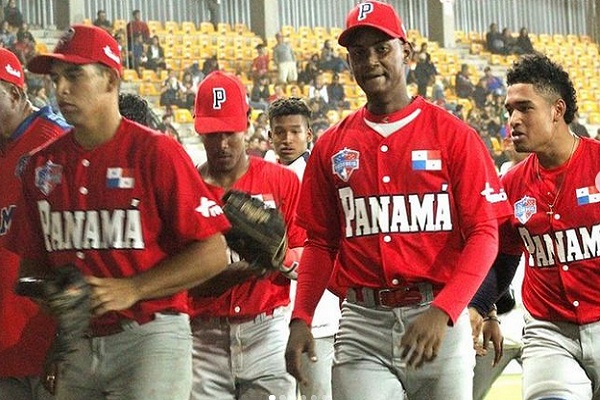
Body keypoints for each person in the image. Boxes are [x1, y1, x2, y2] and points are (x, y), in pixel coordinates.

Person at [284, 2, 512, 400]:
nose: (370, 60)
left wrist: (445, 309)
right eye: (358, 53)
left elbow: (484, 234)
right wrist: (301, 316)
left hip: (437, 313)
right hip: (361, 321)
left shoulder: (454, 136)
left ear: (406, 52)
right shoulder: (331, 146)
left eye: (381, 48)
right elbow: (321, 243)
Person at [11, 24, 230, 400]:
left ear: (111, 80)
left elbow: (214, 253)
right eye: (56, 77)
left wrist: (133, 288)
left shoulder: (155, 152)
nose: (60, 89)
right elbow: (31, 271)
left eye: (74, 75)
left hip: (150, 335)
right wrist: (51, 294)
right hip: (77, 339)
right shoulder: (40, 165)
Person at [470, 53, 600, 400]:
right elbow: (504, 257)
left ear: (557, 110)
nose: (513, 120)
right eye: (509, 110)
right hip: (549, 332)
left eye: (525, 108)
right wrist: (478, 306)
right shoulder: (511, 184)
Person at [188, 70, 304, 400]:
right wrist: (250, 268)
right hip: (203, 334)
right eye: (211, 134)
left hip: (267, 330)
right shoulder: (185, 189)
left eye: (230, 132)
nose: (222, 144)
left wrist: (283, 258)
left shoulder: (283, 181)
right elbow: (178, 276)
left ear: (248, 122)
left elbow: (306, 251)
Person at [0, 47, 70, 400]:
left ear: (14, 94)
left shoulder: (54, 141)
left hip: (46, 346)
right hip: (6, 350)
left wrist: (63, 342)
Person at [268, 97, 340, 400]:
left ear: (309, 134)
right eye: (280, 132)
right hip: (272, 313)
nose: (287, 139)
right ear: (270, 135)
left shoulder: (323, 177)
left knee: (318, 395)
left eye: (295, 131)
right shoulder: (260, 177)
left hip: (318, 314)